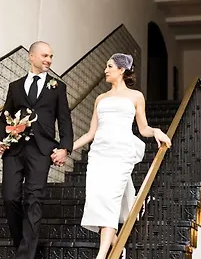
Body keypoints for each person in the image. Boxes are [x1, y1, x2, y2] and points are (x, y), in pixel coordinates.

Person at [72, 53, 172, 259]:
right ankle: (118, 249)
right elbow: (91, 133)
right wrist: (67, 149)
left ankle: (102, 255)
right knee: (98, 200)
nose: (105, 70)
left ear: (121, 70)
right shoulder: (100, 98)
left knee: (110, 200)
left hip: (121, 153)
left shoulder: (136, 96)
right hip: (99, 153)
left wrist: (156, 131)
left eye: (109, 66)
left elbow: (143, 128)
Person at [0, 41, 74, 259]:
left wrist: (65, 148)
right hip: (14, 149)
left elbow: (64, 120)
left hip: (41, 150)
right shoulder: (15, 86)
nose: (49, 60)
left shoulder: (57, 87)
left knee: (34, 199)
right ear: (32, 56)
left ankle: (25, 255)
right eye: (45, 55)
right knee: (10, 197)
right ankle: (26, 245)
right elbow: (4, 118)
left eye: (51, 56)